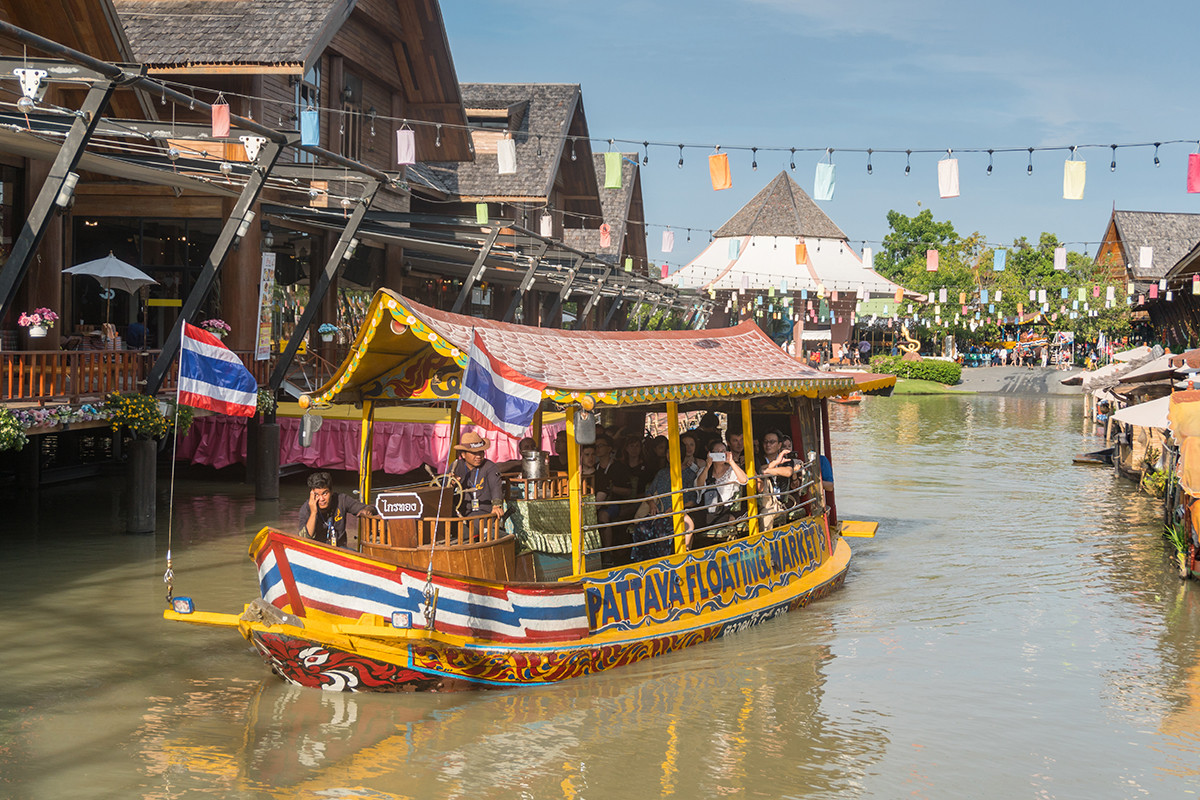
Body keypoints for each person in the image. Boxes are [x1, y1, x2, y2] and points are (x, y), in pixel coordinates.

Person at [299, 471, 377, 549]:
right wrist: (313, 512)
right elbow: (304, 539)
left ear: (331, 492)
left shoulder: (341, 499)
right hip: (317, 551)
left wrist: (367, 510)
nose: (321, 499)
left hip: (340, 549)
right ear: (311, 494)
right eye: (316, 495)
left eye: (325, 493)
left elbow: (370, 508)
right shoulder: (306, 508)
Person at [450, 432, 505, 519]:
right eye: (474, 453)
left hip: (484, 513)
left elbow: (496, 487)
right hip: (461, 513)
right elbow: (443, 491)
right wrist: (451, 484)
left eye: (481, 452)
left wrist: (496, 505)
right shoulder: (456, 467)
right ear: (463, 454)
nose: (479, 456)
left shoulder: (490, 467)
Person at [695, 441, 748, 530]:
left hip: (725, 510)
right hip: (708, 510)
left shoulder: (731, 471)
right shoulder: (705, 471)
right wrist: (707, 466)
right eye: (717, 452)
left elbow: (744, 480)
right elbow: (699, 485)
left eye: (723, 451)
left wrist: (731, 462)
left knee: (712, 520)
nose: (721, 454)